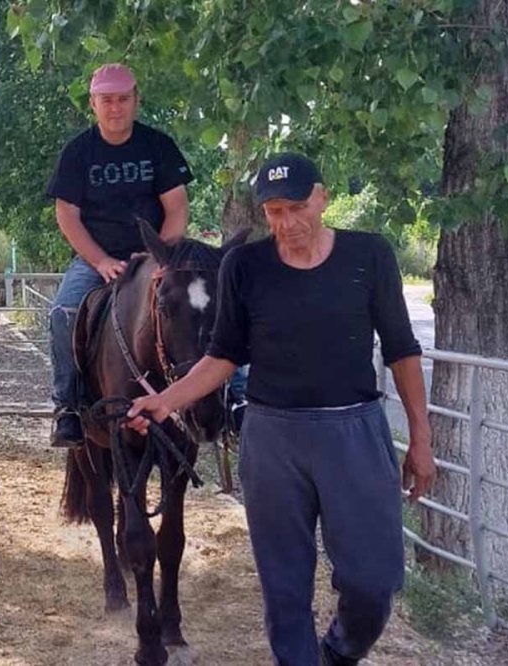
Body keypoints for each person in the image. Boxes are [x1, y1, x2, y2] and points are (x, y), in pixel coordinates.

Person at [126, 153, 437, 665]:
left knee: (372, 584)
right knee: (286, 590)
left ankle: (337, 653)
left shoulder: (369, 255)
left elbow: (403, 349)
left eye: (296, 207)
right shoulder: (245, 267)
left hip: (353, 431)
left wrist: (421, 437)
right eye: (273, 211)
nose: (287, 223)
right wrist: (163, 401)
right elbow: (222, 355)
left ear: (322, 197)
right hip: (273, 439)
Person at [45, 62, 194, 447]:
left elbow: (177, 207)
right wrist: (100, 261)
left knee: (209, 304)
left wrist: (158, 257)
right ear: (93, 104)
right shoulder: (78, 152)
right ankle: (68, 407)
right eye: (106, 100)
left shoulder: (157, 145)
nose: (115, 108)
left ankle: (226, 399)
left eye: (123, 100)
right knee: (63, 314)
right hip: (98, 259)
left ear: (136, 101)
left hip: (156, 255)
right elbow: (67, 215)